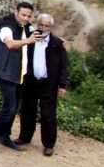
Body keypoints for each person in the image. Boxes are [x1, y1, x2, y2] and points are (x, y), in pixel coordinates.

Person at [0, 1, 40, 150]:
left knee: (13, 108)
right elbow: (10, 44)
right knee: (10, 108)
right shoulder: (6, 27)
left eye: (28, 16)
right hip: (6, 74)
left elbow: (39, 32)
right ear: (16, 12)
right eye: (23, 15)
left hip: (19, 74)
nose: (26, 18)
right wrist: (29, 40)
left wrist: (57, 40)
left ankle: (2, 135)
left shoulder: (27, 26)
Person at [17, 13, 69, 156]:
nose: (43, 28)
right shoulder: (30, 39)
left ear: (50, 27)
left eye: (47, 25)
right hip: (31, 81)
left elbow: (64, 65)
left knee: (48, 114)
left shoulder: (57, 43)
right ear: (37, 25)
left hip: (48, 84)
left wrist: (62, 85)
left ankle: (48, 144)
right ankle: (24, 137)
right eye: (41, 24)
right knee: (27, 111)